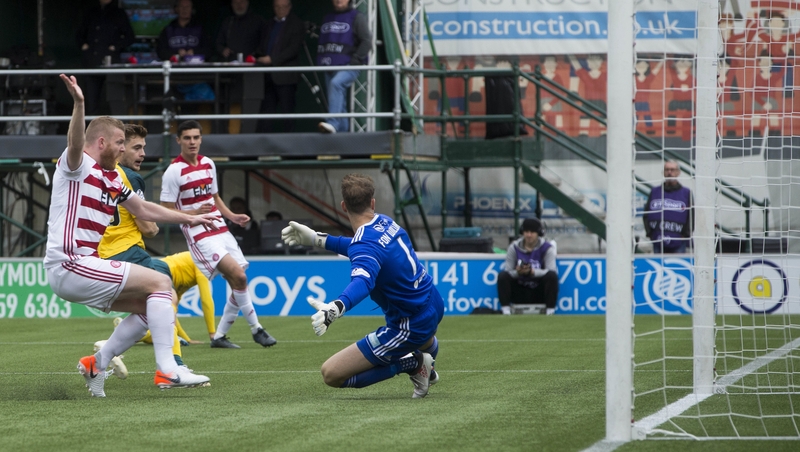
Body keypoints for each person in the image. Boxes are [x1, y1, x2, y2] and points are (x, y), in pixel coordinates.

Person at [45, 74, 215, 397]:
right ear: (101, 143)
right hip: (67, 264)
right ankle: (168, 370)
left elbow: (146, 210)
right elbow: (74, 142)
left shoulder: (113, 178)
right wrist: (79, 104)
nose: (125, 149)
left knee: (150, 306)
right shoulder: (77, 166)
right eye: (121, 142)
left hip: (83, 267)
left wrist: (191, 218)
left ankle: (97, 362)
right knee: (162, 283)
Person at [281, 173, 443, 398]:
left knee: (331, 374)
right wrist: (318, 239)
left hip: (410, 323)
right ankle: (428, 365)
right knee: (424, 338)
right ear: (373, 203)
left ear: (343, 206)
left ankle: (414, 365)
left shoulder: (364, 245)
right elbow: (363, 247)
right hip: (433, 302)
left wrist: (336, 308)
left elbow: (363, 281)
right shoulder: (386, 222)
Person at [160, 120, 277, 349]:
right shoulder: (174, 171)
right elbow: (164, 209)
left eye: (195, 137)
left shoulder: (208, 164)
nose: (192, 142)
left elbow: (214, 199)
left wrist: (232, 216)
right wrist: (193, 212)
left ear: (201, 139)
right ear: (178, 141)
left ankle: (219, 336)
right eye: (187, 138)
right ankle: (257, 329)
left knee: (239, 279)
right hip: (197, 232)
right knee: (240, 278)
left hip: (220, 228)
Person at [316, 0, 372, 134]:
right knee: (339, 103)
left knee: (336, 85)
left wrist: (355, 60)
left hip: (348, 65)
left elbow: (367, 41)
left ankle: (333, 123)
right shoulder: (327, 18)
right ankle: (342, 137)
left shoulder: (356, 16)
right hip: (328, 65)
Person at [75, 0, 135, 116]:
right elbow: (79, 34)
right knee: (91, 100)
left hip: (111, 62)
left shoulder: (118, 13)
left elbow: (129, 37)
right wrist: (84, 46)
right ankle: (92, 130)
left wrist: (115, 47)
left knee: (115, 99)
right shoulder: (91, 12)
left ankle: (116, 131)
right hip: (92, 61)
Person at [256, 0, 306, 133]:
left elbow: (293, 49)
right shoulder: (269, 24)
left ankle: (289, 148)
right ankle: (265, 146)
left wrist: (272, 59)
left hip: (286, 76)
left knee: (287, 112)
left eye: (283, 7)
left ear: (289, 7)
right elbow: (263, 45)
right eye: (277, 7)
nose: (280, 10)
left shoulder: (296, 24)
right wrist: (258, 56)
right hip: (268, 76)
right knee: (266, 112)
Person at [497, 218, 559, 315]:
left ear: (538, 233)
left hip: (538, 289)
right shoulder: (514, 247)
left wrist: (532, 272)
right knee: (503, 276)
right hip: (520, 289)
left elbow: (552, 270)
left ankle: (550, 310)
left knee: (552, 276)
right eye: (526, 232)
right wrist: (518, 272)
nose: (529, 235)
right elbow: (508, 271)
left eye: (532, 232)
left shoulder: (547, 248)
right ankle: (505, 310)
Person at [644, 160, 694, 254]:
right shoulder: (655, 192)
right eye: (667, 169)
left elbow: (692, 216)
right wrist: (650, 233)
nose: (669, 172)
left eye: (672, 170)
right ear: (663, 172)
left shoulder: (686, 193)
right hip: (657, 242)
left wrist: (685, 235)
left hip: (679, 243)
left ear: (678, 172)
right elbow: (646, 214)